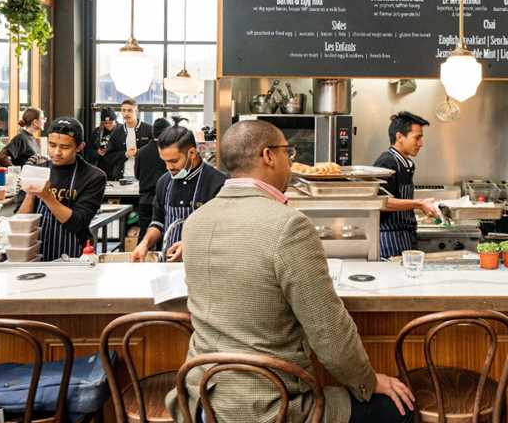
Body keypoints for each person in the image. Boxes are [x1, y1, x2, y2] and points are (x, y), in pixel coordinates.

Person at [167, 120, 414, 423]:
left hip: (204, 400)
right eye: (288, 152)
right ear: (268, 156)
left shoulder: (196, 222)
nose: (291, 161)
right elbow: (329, 333)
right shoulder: (289, 225)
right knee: (400, 410)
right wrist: (370, 381)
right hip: (270, 405)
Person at [17, 117, 107, 262]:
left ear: (79, 147)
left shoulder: (94, 177)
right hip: (35, 254)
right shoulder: (37, 170)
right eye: (52, 145)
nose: (57, 152)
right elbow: (20, 221)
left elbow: (78, 223)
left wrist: (47, 196)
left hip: (76, 255)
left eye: (65, 147)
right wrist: (30, 193)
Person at [131, 126, 225, 262]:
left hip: (204, 264)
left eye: (174, 161)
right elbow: (158, 222)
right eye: (165, 161)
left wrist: (191, 245)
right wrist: (144, 243)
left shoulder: (218, 183)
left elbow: (223, 230)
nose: (168, 167)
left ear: (192, 153)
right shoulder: (164, 182)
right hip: (169, 263)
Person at [373, 112, 438, 259]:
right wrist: (419, 204)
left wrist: (421, 207)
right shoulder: (387, 162)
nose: (421, 143)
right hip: (389, 239)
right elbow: (382, 202)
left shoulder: (406, 163)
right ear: (399, 137)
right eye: (417, 137)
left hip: (404, 236)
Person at [133, 117, 171, 238]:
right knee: (162, 236)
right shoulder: (169, 152)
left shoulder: (141, 152)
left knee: (144, 236)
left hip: (145, 200)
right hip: (163, 200)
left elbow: (137, 174)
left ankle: (140, 256)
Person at [103, 99, 153, 181]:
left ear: (136, 111)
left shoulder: (149, 130)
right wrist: (125, 154)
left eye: (130, 110)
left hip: (144, 177)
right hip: (121, 178)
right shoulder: (116, 132)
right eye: (123, 110)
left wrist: (139, 152)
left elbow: (157, 153)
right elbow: (108, 157)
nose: (126, 114)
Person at [84, 107, 117, 175]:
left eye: (110, 123)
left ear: (115, 120)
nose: (107, 125)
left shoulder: (122, 131)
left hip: (116, 168)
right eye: (105, 123)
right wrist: (97, 152)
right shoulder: (97, 132)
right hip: (100, 168)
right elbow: (88, 150)